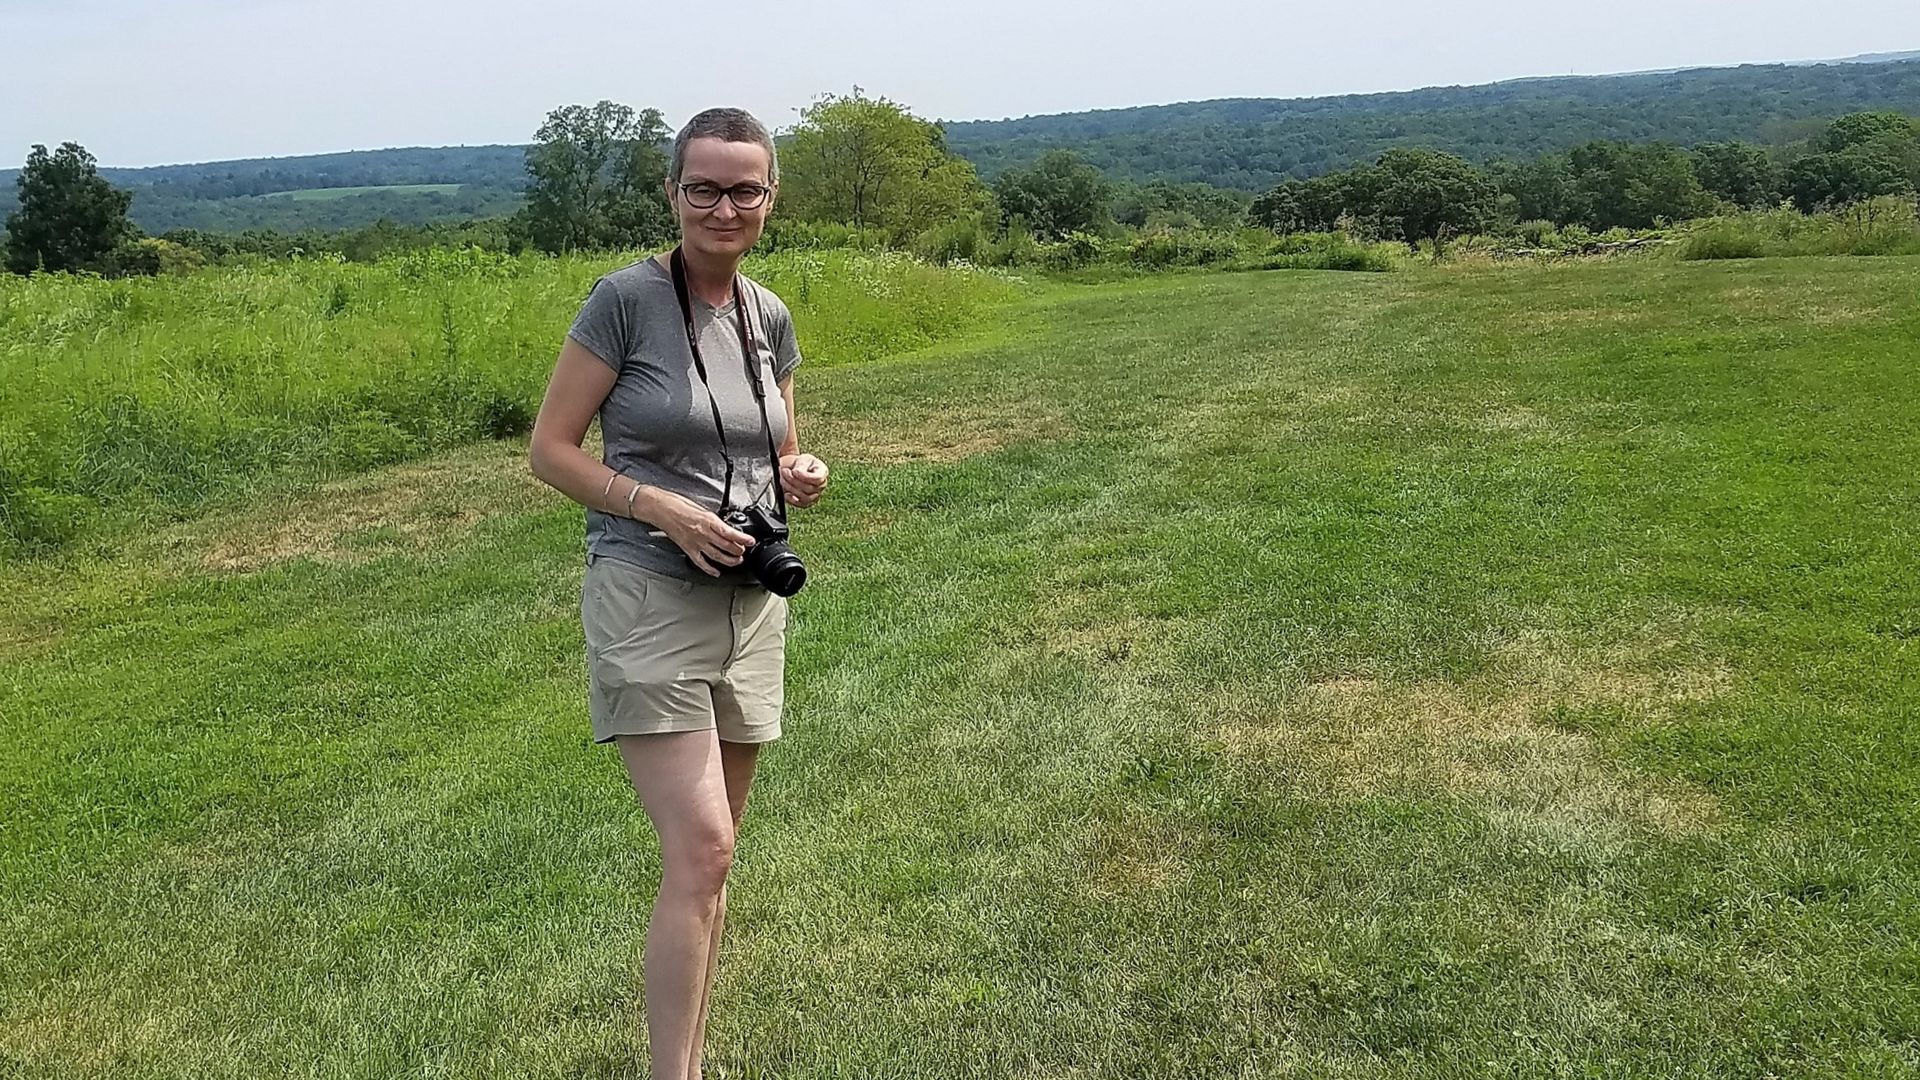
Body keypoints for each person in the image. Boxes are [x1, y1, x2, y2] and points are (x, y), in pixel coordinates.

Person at [527, 107, 829, 1080]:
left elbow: (779, 446)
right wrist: (659, 507)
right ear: (672, 193)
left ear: (771, 197)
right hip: (646, 591)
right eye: (704, 187)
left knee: (714, 859)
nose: (723, 207)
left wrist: (802, 469)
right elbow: (550, 452)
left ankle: (688, 1062)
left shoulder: (767, 314)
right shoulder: (624, 301)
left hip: (748, 603)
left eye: (744, 189)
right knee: (701, 847)